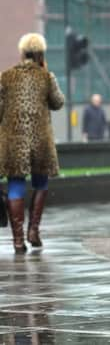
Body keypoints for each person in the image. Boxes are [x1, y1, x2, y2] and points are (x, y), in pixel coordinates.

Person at [0, 33, 64, 254]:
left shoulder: (5, 77)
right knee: (41, 183)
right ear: (40, 54)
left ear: (22, 53)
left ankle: (18, 241)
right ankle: (33, 231)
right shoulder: (46, 77)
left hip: (13, 143)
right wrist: (48, 75)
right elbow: (58, 103)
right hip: (40, 142)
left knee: (15, 186)